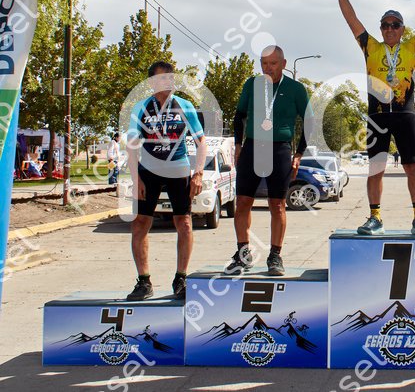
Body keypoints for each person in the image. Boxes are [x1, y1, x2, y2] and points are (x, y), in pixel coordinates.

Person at [329, 0, 415, 236]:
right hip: (378, 116)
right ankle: (375, 218)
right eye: (385, 25)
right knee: (376, 168)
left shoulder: (411, 47)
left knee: (412, 167)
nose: (390, 29)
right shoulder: (370, 47)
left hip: (405, 114)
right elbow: (352, 20)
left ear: (402, 29)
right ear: (381, 29)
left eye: (395, 25)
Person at [225, 45, 312, 276]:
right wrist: (238, 144)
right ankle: (243, 254)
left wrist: (299, 154)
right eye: (264, 63)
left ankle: (275, 256)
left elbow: (309, 121)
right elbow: (239, 115)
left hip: (279, 149)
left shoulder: (295, 89)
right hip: (253, 147)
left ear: (283, 64)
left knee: (278, 204)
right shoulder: (252, 84)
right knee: (243, 202)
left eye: (273, 63)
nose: (268, 68)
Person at [126, 61, 207, 301]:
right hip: (149, 169)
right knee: (140, 223)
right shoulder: (141, 107)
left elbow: (201, 142)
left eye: (171, 78)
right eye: (163, 78)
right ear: (152, 82)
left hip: (178, 168)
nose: (169, 82)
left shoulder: (185, 106)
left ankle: (181, 278)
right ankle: (144, 281)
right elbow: (131, 146)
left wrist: (198, 173)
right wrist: (136, 179)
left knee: (184, 222)